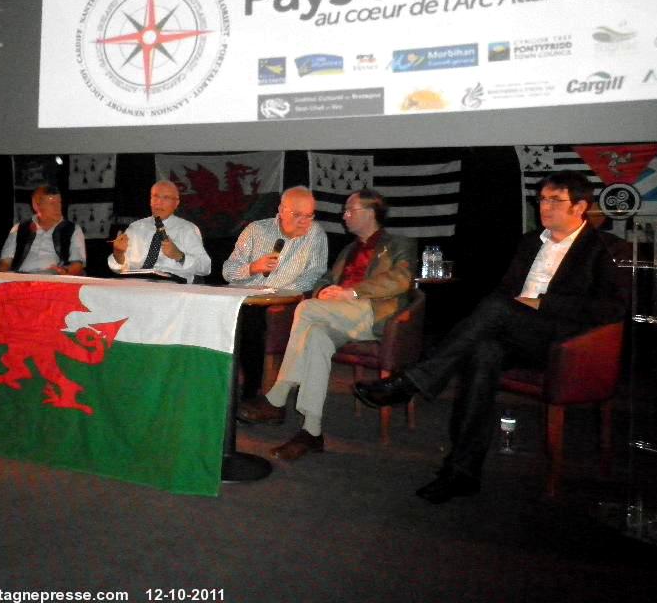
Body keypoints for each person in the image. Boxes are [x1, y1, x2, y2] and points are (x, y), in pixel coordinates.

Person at [354, 170, 630, 504]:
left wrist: (541, 303)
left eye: (555, 201)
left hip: (563, 343)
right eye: (541, 199)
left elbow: (612, 309)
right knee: (483, 352)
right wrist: (514, 307)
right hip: (515, 334)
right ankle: (462, 472)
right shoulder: (530, 242)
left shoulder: (605, 248)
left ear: (580, 207)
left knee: (497, 308)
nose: (544, 207)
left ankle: (414, 380)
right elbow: (505, 290)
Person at [237, 189, 416, 461]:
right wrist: (324, 292)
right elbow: (325, 278)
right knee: (317, 337)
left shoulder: (400, 243)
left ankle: (277, 396)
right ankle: (312, 432)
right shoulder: (349, 249)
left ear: (369, 213)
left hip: (373, 314)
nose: (343, 216)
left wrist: (351, 292)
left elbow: (401, 280)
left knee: (306, 309)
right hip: (339, 314)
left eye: (349, 210)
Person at [222, 186, 329, 399]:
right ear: (281, 209)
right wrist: (253, 267)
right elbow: (228, 272)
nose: (304, 221)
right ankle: (217, 382)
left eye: (309, 216)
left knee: (254, 321)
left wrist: (277, 292)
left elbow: (314, 275)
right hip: (245, 296)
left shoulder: (315, 234)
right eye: (297, 215)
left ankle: (252, 390)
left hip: (284, 300)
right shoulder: (255, 230)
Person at [108, 180, 211, 284]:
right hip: (137, 285)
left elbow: (205, 267)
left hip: (172, 288)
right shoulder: (136, 227)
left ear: (176, 203)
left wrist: (179, 256)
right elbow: (118, 268)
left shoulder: (187, 229)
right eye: (155, 196)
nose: (159, 202)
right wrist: (118, 253)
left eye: (165, 198)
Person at [0, 185, 86, 275]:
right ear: (36, 205)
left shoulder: (73, 229)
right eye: (52, 204)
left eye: (59, 202)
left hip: (54, 280)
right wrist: (5, 278)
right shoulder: (19, 229)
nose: (57, 208)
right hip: (21, 279)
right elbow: (5, 263)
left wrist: (64, 272)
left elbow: (77, 265)